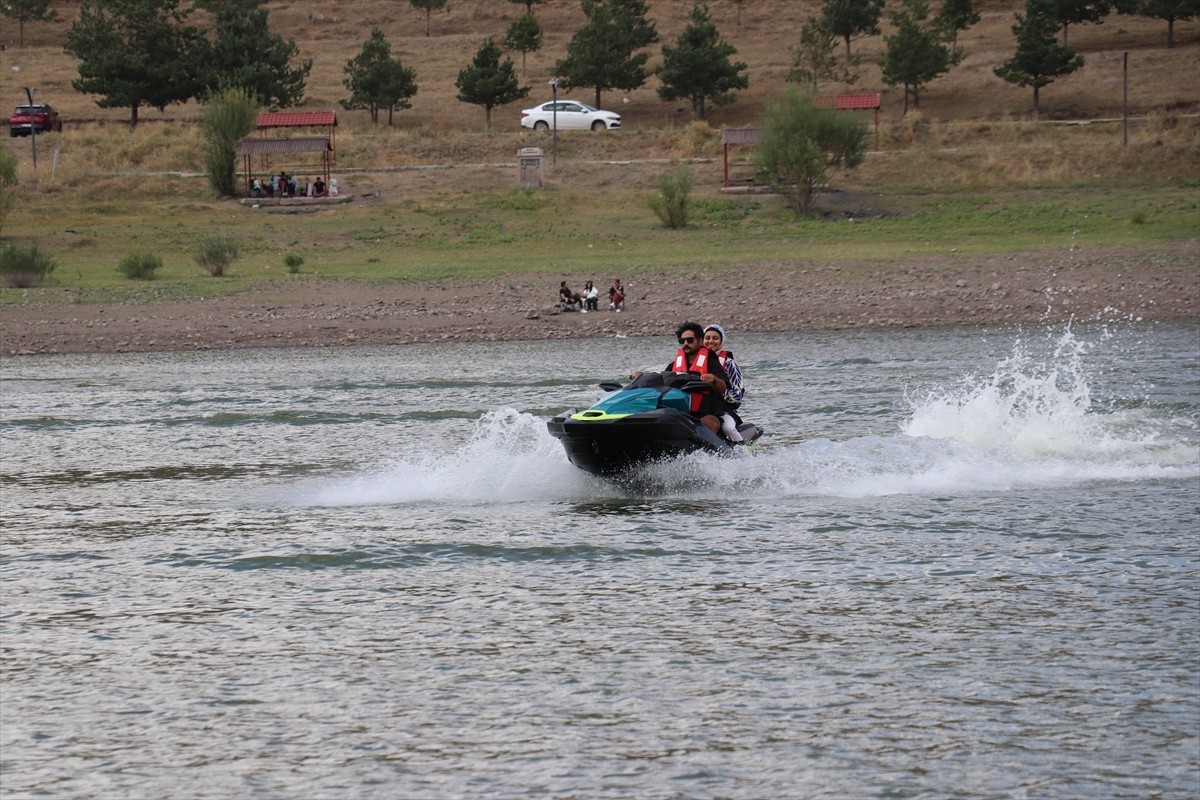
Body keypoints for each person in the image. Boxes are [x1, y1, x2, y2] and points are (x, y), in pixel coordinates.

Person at [631, 321, 729, 436]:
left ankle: (706, 452)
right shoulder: (674, 365)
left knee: (711, 423)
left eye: (690, 340)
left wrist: (713, 379)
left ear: (700, 341)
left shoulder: (712, 363)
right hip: (679, 411)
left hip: (705, 411)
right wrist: (641, 376)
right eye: (682, 341)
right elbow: (659, 380)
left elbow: (723, 388)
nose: (685, 343)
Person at [703, 323, 745, 443]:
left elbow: (739, 393)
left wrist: (722, 393)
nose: (710, 341)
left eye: (715, 338)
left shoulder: (729, 363)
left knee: (728, 428)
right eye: (707, 338)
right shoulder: (695, 361)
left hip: (722, 409)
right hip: (701, 408)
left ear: (721, 341)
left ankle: (743, 451)